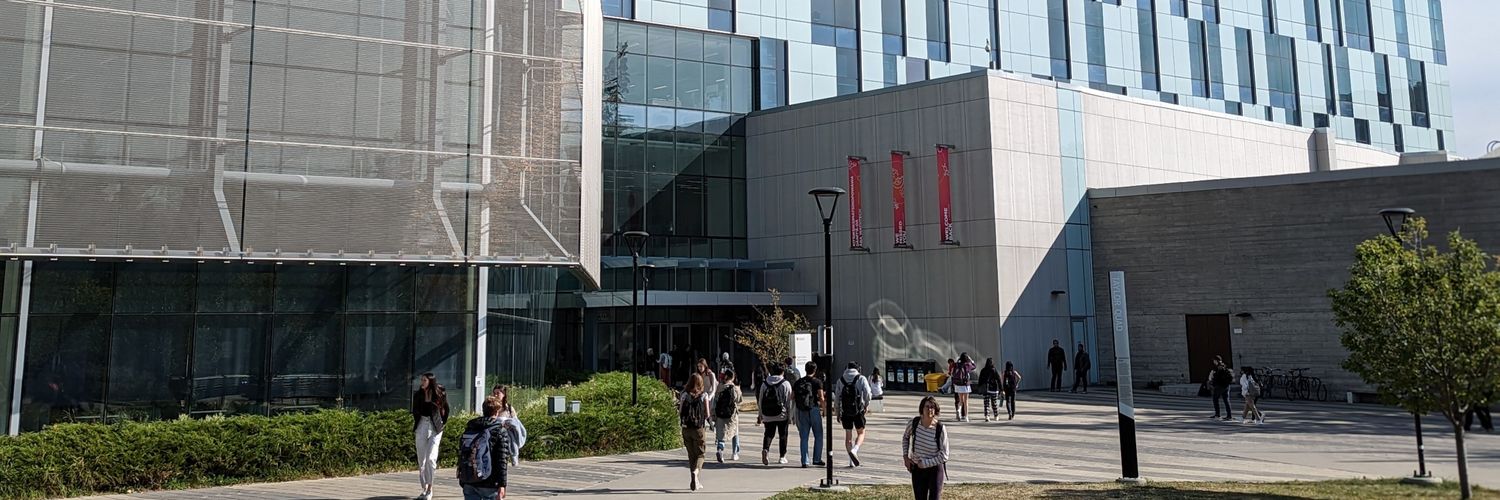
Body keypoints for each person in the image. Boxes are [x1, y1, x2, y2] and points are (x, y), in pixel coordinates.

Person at [458, 396, 511, 500]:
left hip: (470, 479)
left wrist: (462, 479)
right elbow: (502, 461)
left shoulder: (471, 427)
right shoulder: (500, 430)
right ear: (496, 412)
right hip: (490, 482)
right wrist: (502, 485)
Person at [411, 373, 450, 500]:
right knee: (421, 460)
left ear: (430, 382)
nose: (422, 382)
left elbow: (445, 410)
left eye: (424, 380)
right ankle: (424, 488)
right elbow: (415, 411)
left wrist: (442, 423)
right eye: (421, 380)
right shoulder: (418, 395)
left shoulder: (439, 394)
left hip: (435, 427)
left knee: (431, 458)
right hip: (422, 424)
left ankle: (430, 488)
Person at [903, 396, 950, 500]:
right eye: (927, 407)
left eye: (932, 407)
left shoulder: (940, 428)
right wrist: (906, 457)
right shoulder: (914, 423)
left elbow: (945, 455)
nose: (929, 410)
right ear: (922, 409)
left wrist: (925, 463)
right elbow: (906, 437)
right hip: (917, 469)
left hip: (935, 469)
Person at [833, 362, 873, 467]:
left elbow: (837, 397)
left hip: (845, 411)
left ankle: (851, 461)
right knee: (861, 432)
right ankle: (855, 449)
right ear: (857, 368)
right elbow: (868, 393)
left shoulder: (840, 380)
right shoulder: (861, 378)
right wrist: (866, 405)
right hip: (858, 410)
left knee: (848, 436)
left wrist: (837, 412)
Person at [679, 373, 711, 491]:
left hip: (686, 428)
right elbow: (707, 414)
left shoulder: (684, 395)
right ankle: (696, 472)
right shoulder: (704, 396)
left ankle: (695, 481)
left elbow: (680, 411)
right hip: (698, 428)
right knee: (701, 454)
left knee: (691, 455)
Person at [757, 363, 793, 465]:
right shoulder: (785, 384)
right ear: (783, 371)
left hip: (767, 414)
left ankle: (766, 449)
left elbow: (760, 399)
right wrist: (790, 416)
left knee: (768, 434)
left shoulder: (765, 384)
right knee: (783, 435)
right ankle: (782, 456)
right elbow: (788, 402)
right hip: (781, 414)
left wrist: (760, 414)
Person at [792, 361, 826, 467]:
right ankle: (817, 459)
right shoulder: (817, 382)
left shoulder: (798, 382)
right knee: (819, 435)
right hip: (814, 409)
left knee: (804, 437)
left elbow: (792, 397)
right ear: (815, 370)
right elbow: (821, 397)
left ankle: (804, 461)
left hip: (802, 410)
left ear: (805, 370)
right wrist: (824, 409)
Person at [714, 369, 743, 463]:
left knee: (721, 434)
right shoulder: (735, 388)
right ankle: (735, 453)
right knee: (735, 432)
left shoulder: (720, 386)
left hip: (720, 414)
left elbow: (715, 400)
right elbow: (739, 400)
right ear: (733, 377)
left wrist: (713, 414)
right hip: (732, 414)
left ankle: (720, 449)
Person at [950, 354, 976, 422]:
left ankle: (958, 409)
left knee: (961, 400)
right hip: (965, 384)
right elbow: (974, 366)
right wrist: (971, 360)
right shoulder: (967, 365)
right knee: (966, 401)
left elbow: (952, 372)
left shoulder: (956, 364)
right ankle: (966, 416)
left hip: (958, 384)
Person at [1208, 356, 1234, 421]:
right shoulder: (1225, 366)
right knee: (1226, 400)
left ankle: (1217, 414)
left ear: (1217, 361)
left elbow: (1217, 378)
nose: (1213, 362)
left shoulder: (1218, 368)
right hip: (1226, 386)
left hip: (1219, 386)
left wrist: (1213, 381)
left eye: (1214, 360)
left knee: (1215, 399)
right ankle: (1229, 415)